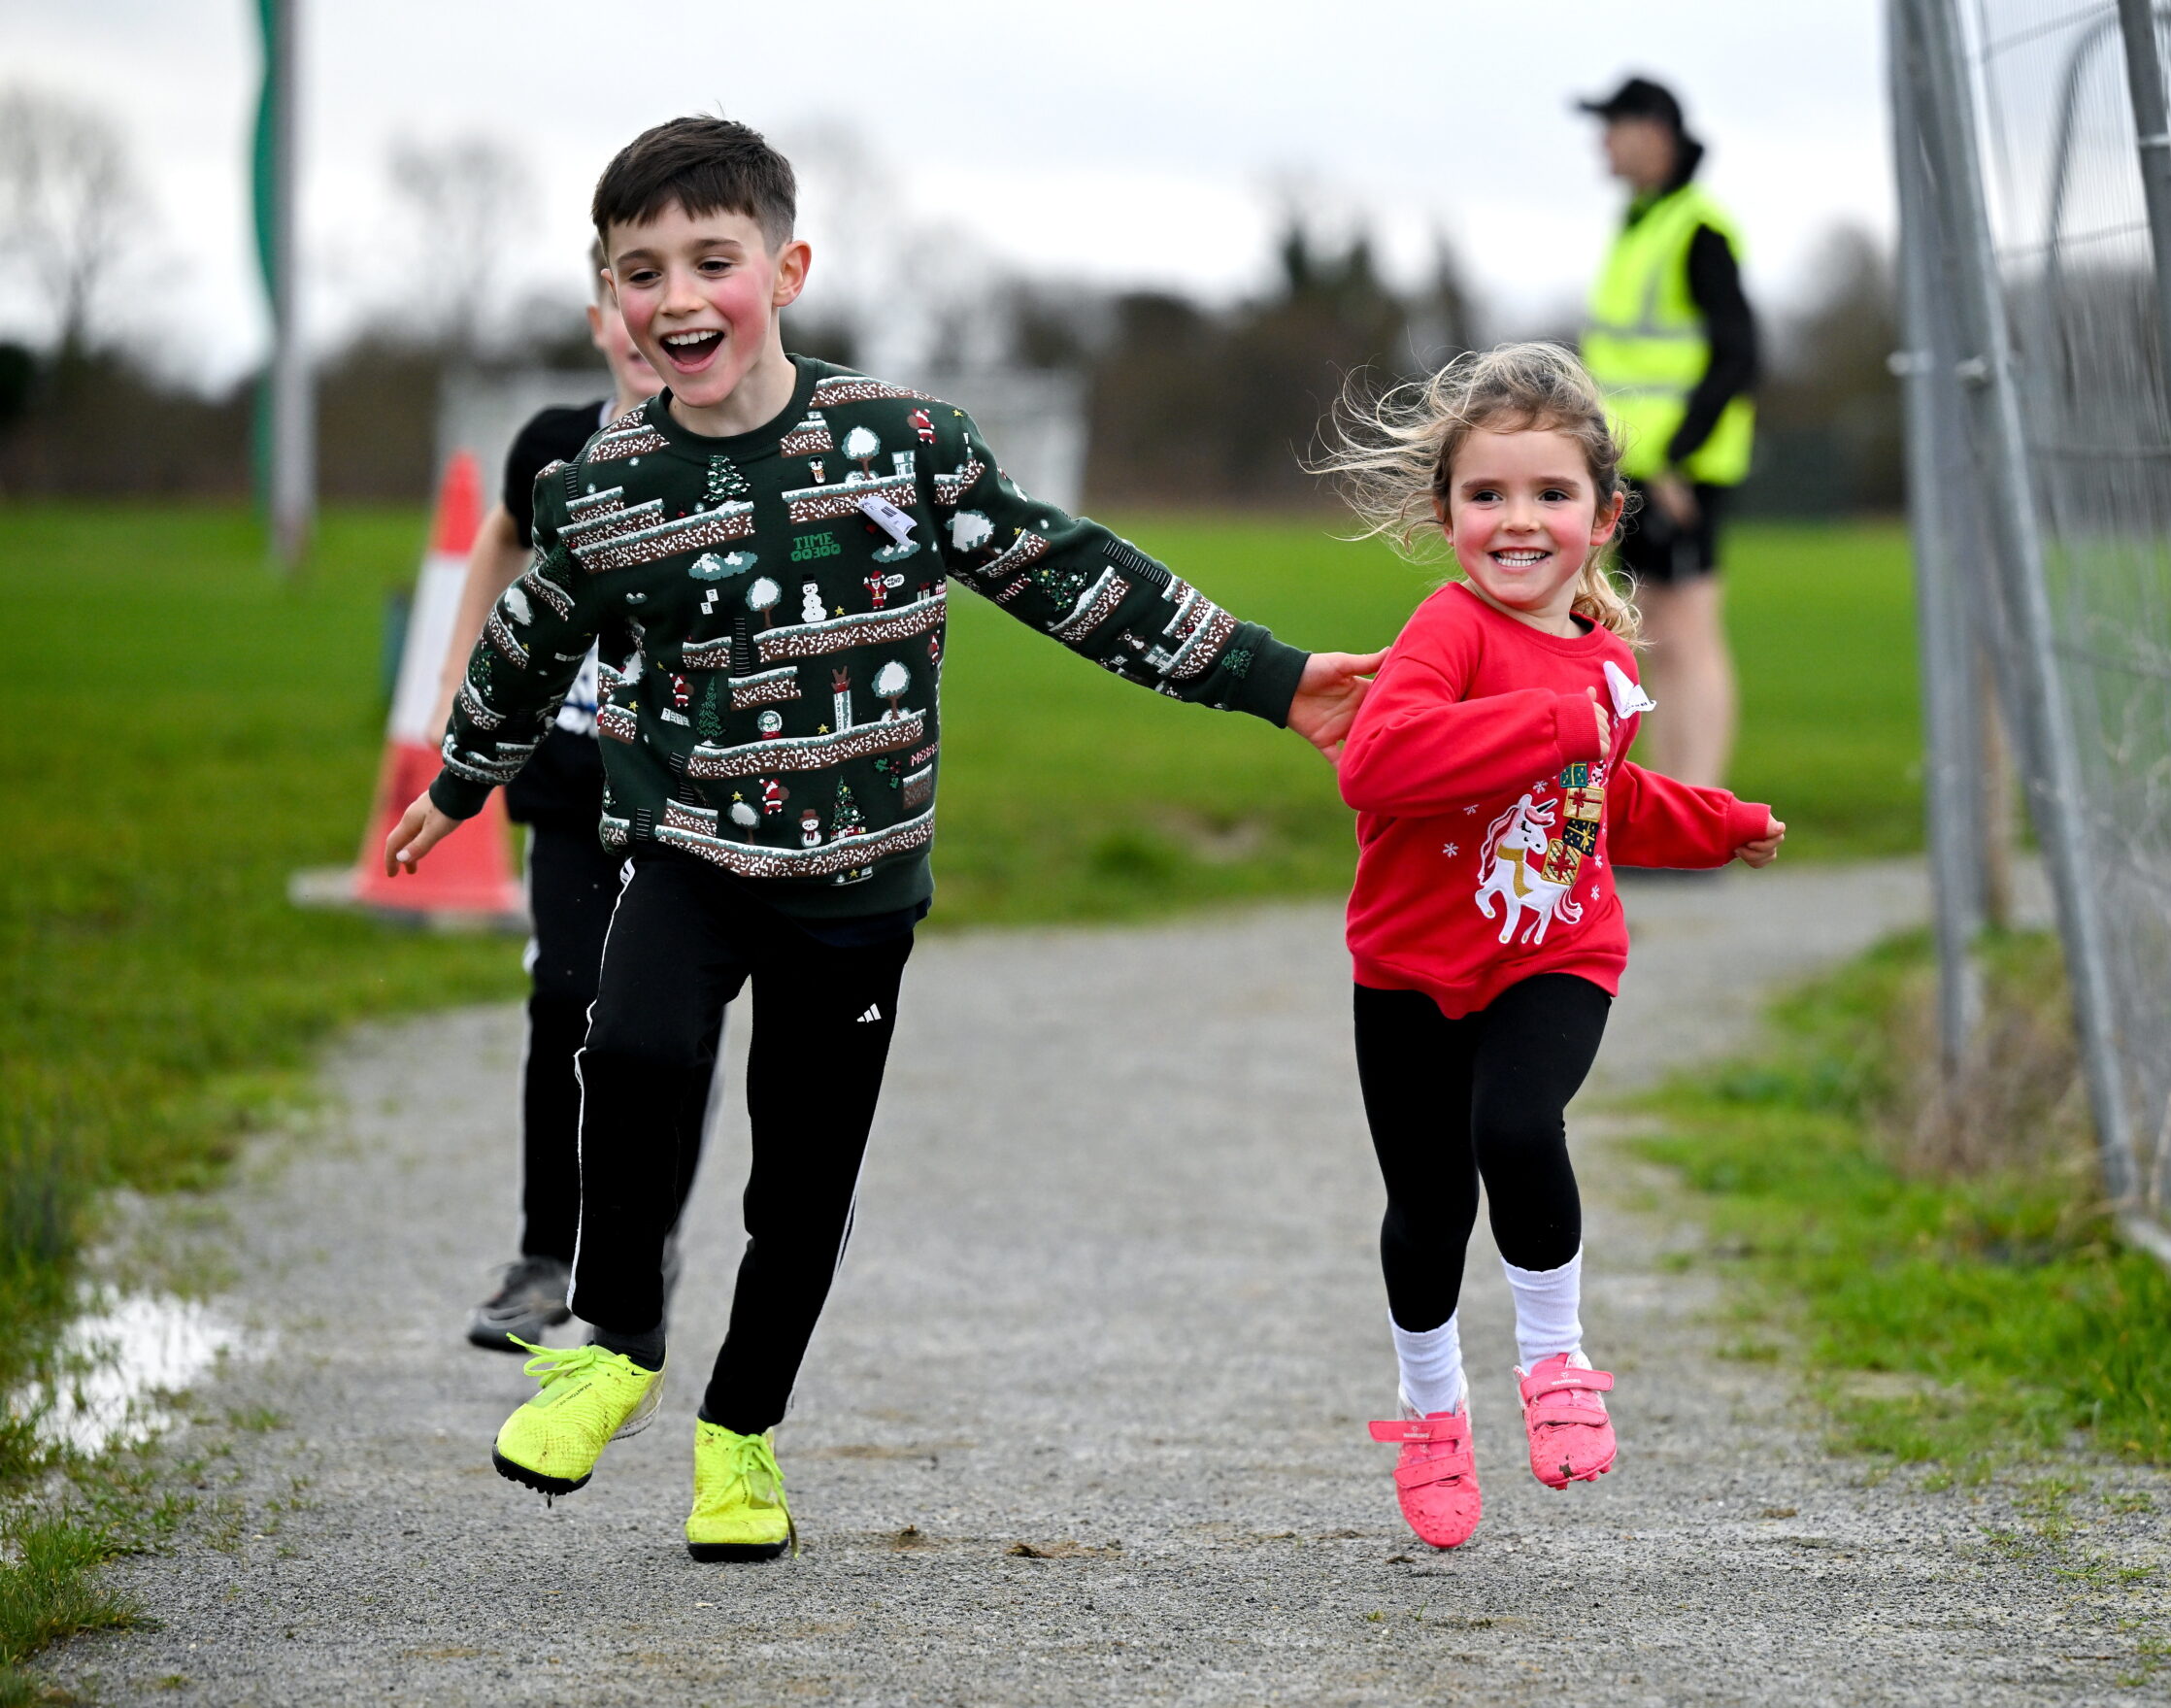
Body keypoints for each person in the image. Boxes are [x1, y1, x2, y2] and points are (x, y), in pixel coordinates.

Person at [384, 116, 1384, 1563]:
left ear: (784, 268)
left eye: (710, 262)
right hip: (690, 844)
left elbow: (1063, 572)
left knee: (801, 1180)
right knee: (633, 1044)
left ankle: (739, 1439)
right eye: (640, 270)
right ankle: (614, 1338)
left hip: (855, 885)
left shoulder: (901, 447)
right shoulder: (600, 493)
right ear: (610, 300)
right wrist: (463, 775)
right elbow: (529, 644)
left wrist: (1273, 677)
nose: (678, 298)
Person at [1318, 343, 1784, 1551]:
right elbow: (1377, 765)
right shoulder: (1449, 632)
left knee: (1516, 1128)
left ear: (1602, 514)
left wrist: (1716, 821)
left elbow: (1603, 803)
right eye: (1487, 495)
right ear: (1445, 513)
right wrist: (1554, 719)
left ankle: (1556, 1360)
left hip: (1552, 950)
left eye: (1549, 494)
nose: (1516, 521)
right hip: (1409, 969)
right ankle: (1430, 1414)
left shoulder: (1608, 660)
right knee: (1426, 1210)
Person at [424, 255, 722, 1354]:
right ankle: (546, 1254)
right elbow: (502, 534)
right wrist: (466, 664)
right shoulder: (552, 443)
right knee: (567, 999)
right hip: (571, 769)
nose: (653, 330)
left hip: (698, 783)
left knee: (672, 1025)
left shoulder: (743, 455)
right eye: (630, 306)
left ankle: (641, 1246)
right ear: (604, 321)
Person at [1578, 75, 1760, 790]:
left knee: (1687, 636)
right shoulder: (1644, 222)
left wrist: (1677, 460)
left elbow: (1738, 354)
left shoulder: (1695, 227)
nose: (1602, 143)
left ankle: (1702, 811)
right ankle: (1674, 809)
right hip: (1639, 468)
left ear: (1653, 132)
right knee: (1657, 637)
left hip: (1678, 471)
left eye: (1613, 125)